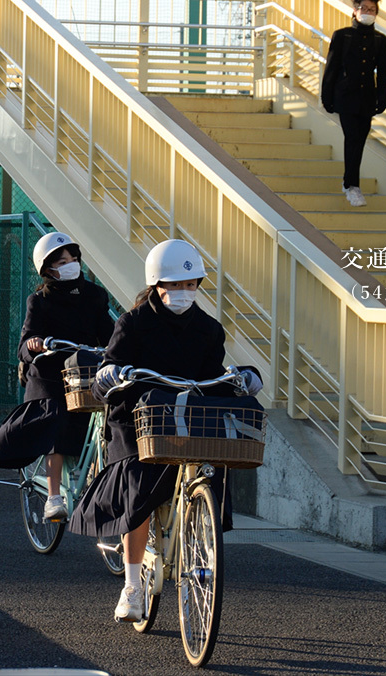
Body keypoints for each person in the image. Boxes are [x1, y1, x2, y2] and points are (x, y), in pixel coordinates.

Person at [68, 239, 262, 621]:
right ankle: (132, 586)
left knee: (214, 465)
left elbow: (214, 376)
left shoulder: (209, 329)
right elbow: (109, 368)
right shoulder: (133, 322)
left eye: (191, 285)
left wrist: (242, 379)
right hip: (137, 420)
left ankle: (197, 528)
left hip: (186, 419)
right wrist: (109, 375)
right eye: (175, 285)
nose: (184, 292)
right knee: (139, 489)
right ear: (157, 284)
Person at [0, 232, 115, 520]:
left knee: (110, 416)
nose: (72, 264)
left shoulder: (95, 295)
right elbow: (25, 343)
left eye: (74, 259)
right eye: (62, 261)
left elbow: (108, 334)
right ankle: (54, 497)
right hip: (49, 376)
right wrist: (34, 345)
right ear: (48, 270)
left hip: (83, 373)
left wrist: (118, 349)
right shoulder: (39, 301)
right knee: (56, 418)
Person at [321, 0, 386, 208]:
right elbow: (331, 67)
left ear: (376, 13)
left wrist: (383, 97)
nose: (367, 13)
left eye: (371, 10)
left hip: (367, 98)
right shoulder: (342, 36)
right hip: (345, 96)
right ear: (355, 10)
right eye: (363, 8)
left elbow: (384, 72)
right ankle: (353, 187)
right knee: (352, 138)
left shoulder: (381, 40)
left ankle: (348, 182)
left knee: (359, 140)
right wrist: (327, 97)